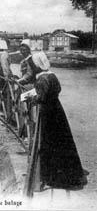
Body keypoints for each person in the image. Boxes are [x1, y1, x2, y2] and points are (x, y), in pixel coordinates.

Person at [28, 52, 86, 191]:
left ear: (37, 66)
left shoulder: (42, 79)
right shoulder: (52, 75)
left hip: (47, 113)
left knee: (49, 142)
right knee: (63, 141)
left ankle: (53, 177)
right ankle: (71, 174)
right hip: (57, 110)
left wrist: (31, 99)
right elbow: (57, 90)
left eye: (33, 65)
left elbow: (41, 98)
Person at [0, 40, 13, 120]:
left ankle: (6, 112)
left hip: (2, 74)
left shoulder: (3, 55)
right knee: (1, 92)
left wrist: (6, 77)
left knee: (4, 92)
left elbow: (5, 66)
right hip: (1, 73)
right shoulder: (2, 54)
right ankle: (3, 110)